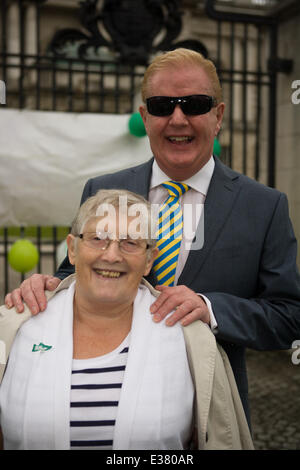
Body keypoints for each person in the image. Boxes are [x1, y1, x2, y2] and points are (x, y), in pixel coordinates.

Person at [4, 48, 300, 424]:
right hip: (97, 395)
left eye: (194, 104)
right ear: (145, 117)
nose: (178, 119)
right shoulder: (104, 189)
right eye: (162, 105)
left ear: (218, 115)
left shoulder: (265, 206)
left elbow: (290, 316)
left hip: (206, 415)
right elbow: (73, 275)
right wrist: (47, 286)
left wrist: (211, 309)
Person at [0, 189, 253, 450]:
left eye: (130, 243)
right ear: (73, 249)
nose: (111, 255)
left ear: (148, 260)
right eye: (98, 238)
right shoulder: (12, 328)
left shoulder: (192, 340)